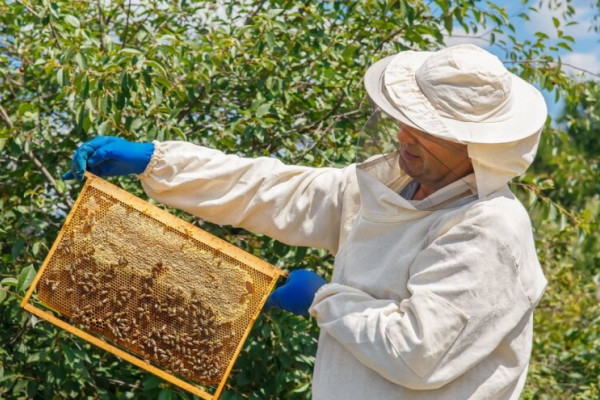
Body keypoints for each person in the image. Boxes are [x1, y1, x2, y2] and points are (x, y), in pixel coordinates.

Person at [63, 44, 548, 399]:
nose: (403, 135)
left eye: (423, 130)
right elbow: (268, 189)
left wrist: (322, 300)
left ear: (473, 144)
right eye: (404, 119)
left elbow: (417, 353)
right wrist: (156, 161)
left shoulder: (489, 228)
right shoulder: (390, 191)